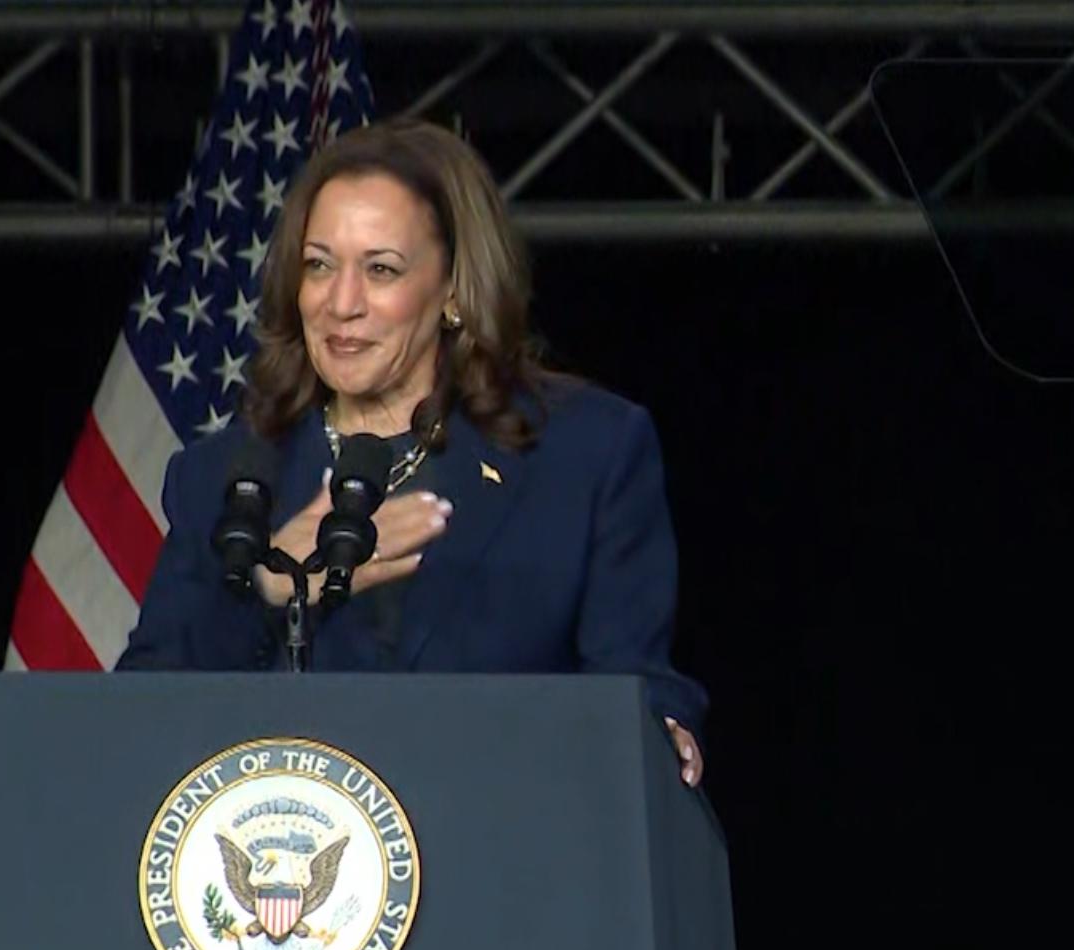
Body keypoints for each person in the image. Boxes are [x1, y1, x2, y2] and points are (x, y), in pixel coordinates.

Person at [115, 117, 708, 786]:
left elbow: (635, 686)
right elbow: (143, 706)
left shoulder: (586, 454)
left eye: (381, 270)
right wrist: (269, 590)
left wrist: (660, 729)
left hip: (507, 842)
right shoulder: (223, 478)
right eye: (319, 266)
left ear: (453, 289)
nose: (342, 303)